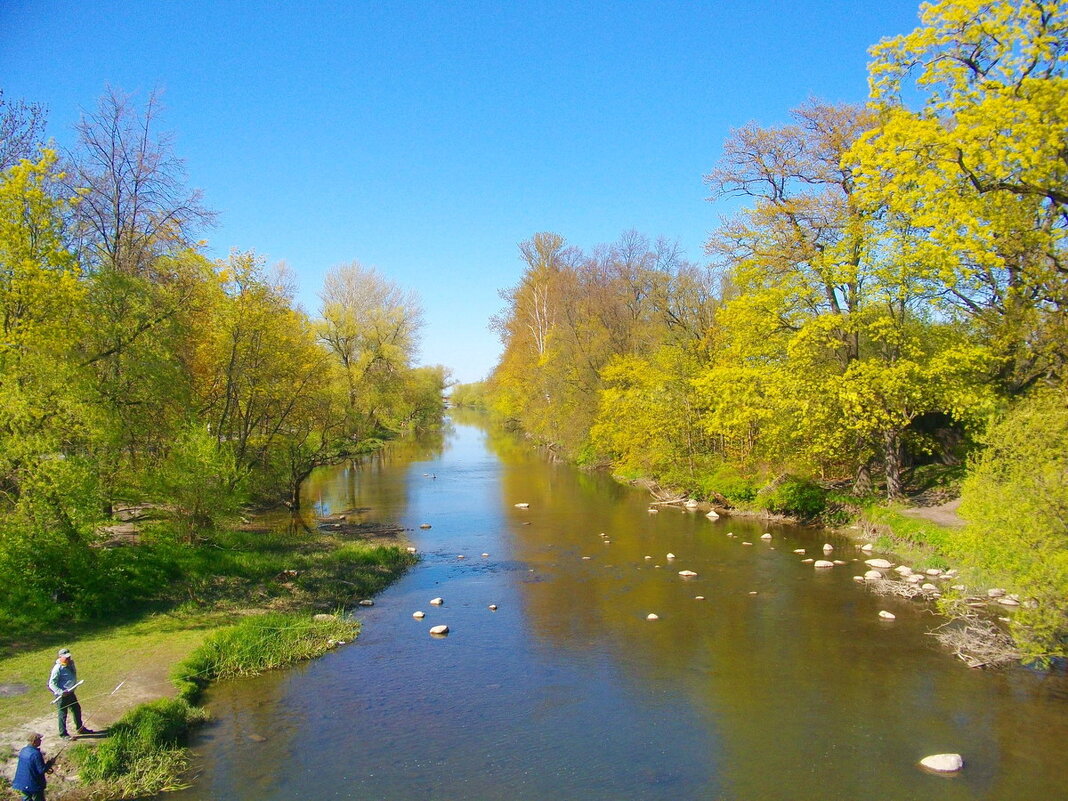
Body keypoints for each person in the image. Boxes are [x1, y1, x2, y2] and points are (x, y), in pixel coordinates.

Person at [47, 648, 93, 739]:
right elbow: (51, 684)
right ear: (60, 657)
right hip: (62, 695)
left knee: (76, 708)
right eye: (66, 658)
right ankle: (63, 734)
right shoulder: (57, 669)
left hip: (71, 692)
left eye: (69, 657)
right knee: (63, 714)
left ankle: (80, 728)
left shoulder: (70, 664)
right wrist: (60, 692)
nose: (68, 659)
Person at [11, 732, 53, 801]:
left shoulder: (23, 750)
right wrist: (49, 764)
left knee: (26, 799)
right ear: (35, 741)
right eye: (39, 739)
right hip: (33, 784)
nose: (41, 741)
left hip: (22, 783)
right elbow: (41, 770)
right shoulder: (36, 754)